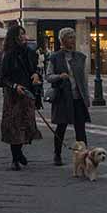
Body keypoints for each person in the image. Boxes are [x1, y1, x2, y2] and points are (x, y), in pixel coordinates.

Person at [45, 27, 89, 167]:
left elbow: (84, 80)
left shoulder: (80, 57)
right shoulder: (55, 57)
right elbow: (48, 76)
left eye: (73, 37)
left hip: (77, 98)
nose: (73, 40)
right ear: (63, 40)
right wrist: (59, 76)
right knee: (61, 127)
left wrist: (86, 97)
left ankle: (84, 156)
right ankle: (57, 154)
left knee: (80, 129)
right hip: (63, 98)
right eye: (70, 37)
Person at [0, 24, 41, 170]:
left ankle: (19, 153)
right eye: (21, 34)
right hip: (13, 96)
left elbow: (34, 69)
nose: (24, 36)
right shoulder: (8, 54)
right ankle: (15, 158)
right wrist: (15, 86)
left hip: (27, 94)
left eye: (24, 34)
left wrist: (36, 74)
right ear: (15, 37)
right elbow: (2, 78)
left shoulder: (29, 52)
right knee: (14, 127)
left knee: (26, 126)